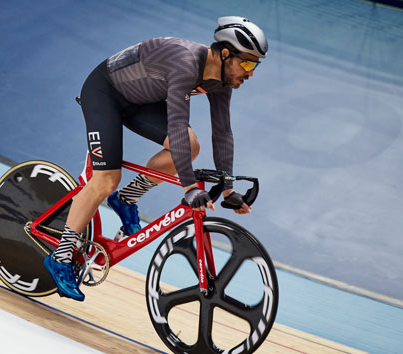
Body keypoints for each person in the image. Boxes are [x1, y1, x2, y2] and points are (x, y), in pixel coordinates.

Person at [43, 16, 268, 301]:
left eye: (255, 65)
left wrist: (228, 189)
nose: (250, 72)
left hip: (140, 101)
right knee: (106, 180)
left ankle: (127, 199)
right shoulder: (186, 62)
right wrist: (189, 189)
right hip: (105, 92)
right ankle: (60, 257)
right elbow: (175, 125)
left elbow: (222, 132)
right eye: (247, 63)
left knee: (190, 145)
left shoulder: (221, 82)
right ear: (225, 54)